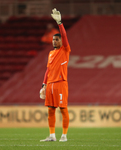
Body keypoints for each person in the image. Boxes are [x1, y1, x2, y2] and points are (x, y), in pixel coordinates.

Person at [39, 8, 71, 142]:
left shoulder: (65, 50)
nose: (54, 42)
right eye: (53, 40)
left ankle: (64, 135)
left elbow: (64, 36)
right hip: (50, 85)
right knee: (51, 111)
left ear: (60, 41)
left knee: (63, 109)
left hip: (61, 84)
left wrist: (60, 23)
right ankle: (52, 135)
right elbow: (48, 70)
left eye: (56, 40)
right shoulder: (51, 53)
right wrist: (43, 85)